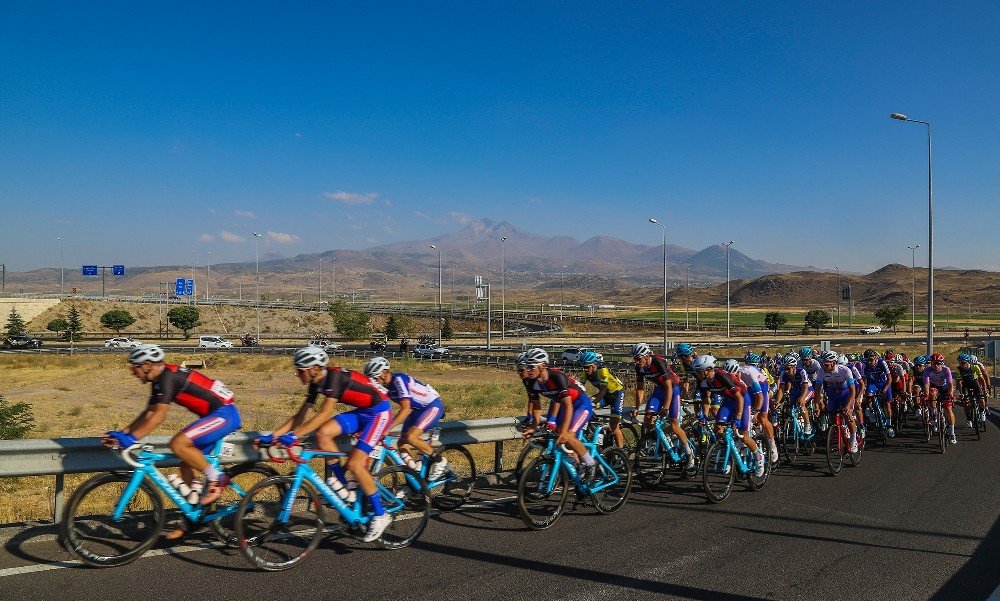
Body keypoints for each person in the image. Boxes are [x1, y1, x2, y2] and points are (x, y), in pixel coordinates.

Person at [105, 344, 242, 541]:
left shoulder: (168, 377)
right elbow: (148, 413)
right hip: (215, 415)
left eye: (133, 367)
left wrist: (133, 438)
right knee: (185, 462)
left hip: (225, 414)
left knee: (178, 444)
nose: (133, 373)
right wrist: (122, 433)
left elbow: (158, 417)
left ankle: (217, 478)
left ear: (146, 365)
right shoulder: (159, 381)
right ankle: (193, 517)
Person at [260, 347, 393, 542]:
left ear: (314, 368)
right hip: (363, 412)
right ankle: (343, 486)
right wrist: (274, 435)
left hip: (379, 413)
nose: (297, 374)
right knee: (323, 434)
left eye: (300, 370)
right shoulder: (316, 382)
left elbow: (324, 414)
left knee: (356, 463)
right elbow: (300, 415)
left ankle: (381, 515)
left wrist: (294, 436)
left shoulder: (334, 378)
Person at [517, 348, 597, 482]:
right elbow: (536, 406)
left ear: (542, 366)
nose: (528, 370)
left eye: (531, 366)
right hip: (565, 405)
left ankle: (590, 464)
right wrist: (533, 426)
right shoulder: (529, 382)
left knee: (569, 435)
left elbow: (568, 405)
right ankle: (577, 466)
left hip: (581, 404)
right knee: (558, 433)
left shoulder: (556, 376)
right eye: (526, 366)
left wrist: (565, 431)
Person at [363, 356, 448, 479]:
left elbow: (405, 408)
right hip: (418, 410)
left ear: (383, 373)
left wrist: (386, 428)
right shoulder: (384, 389)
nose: (373, 382)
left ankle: (440, 460)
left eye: (374, 378)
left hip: (432, 406)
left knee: (411, 437)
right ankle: (415, 475)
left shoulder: (398, 379)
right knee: (402, 443)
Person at [694, 355, 764, 477]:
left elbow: (739, 398)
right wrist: (704, 415)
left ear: (708, 370)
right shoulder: (703, 381)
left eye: (699, 371)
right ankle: (731, 454)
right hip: (728, 401)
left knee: (744, 436)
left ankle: (759, 457)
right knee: (719, 429)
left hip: (743, 399)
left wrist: (738, 417)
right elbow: (706, 400)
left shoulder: (721, 376)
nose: (696, 374)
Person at [631, 343, 695, 469]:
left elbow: (669, 387)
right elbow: (640, 389)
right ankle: (662, 443)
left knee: (674, 425)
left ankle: (689, 453)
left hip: (673, 389)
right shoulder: (639, 367)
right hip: (659, 390)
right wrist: (637, 408)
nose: (636, 361)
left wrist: (665, 408)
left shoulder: (658, 362)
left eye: (638, 358)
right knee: (648, 418)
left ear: (646, 355)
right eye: (634, 359)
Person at [726, 357, 778, 463]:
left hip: (761, 385)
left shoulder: (749, 374)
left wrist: (756, 412)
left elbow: (760, 398)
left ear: (738, 372)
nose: (734, 378)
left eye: (735, 376)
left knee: (762, 418)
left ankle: (772, 445)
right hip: (746, 389)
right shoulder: (731, 378)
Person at [578, 350, 625, 447]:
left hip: (617, 394)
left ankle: (621, 451)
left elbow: (603, 391)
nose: (586, 370)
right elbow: (579, 389)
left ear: (594, 364)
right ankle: (601, 431)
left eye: (587, 367)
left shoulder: (603, 371)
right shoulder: (585, 373)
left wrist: (593, 403)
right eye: (583, 367)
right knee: (587, 406)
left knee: (614, 425)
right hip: (606, 396)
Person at [815, 350, 859, 453]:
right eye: (822, 363)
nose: (823, 366)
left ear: (833, 363)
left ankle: (853, 440)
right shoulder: (821, 371)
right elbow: (817, 390)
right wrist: (817, 406)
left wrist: (848, 406)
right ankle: (837, 433)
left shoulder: (845, 370)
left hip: (846, 393)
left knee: (848, 416)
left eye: (826, 364)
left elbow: (853, 391)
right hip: (833, 394)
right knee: (832, 416)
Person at [923, 353, 956, 445]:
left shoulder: (946, 370)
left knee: (948, 410)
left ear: (941, 363)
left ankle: (952, 433)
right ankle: (934, 415)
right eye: (934, 363)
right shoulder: (927, 370)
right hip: (934, 388)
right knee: (932, 393)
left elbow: (950, 384)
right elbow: (926, 384)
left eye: (938, 363)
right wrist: (926, 395)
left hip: (945, 388)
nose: (936, 365)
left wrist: (951, 395)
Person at [956, 353, 988, 428]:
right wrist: (961, 393)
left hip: (975, 384)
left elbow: (981, 379)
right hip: (965, 386)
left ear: (968, 362)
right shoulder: (958, 369)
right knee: (966, 402)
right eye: (960, 362)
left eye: (963, 362)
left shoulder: (975, 367)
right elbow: (959, 382)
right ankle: (969, 419)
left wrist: (985, 390)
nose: (961, 364)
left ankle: (982, 412)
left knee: (981, 399)